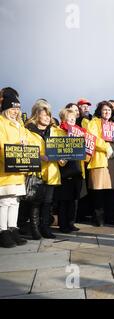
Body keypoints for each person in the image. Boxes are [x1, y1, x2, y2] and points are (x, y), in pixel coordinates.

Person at [24, 104, 64, 238]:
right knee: (35, 201)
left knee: (48, 201)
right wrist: (40, 156)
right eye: (45, 114)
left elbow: (63, 149)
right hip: (36, 171)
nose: (48, 118)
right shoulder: (27, 131)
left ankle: (45, 227)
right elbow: (25, 150)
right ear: (36, 114)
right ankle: (34, 229)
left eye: (49, 115)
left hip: (52, 171)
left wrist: (63, 158)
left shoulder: (55, 131)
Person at [0, 95, 34, 247]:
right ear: (6, 109)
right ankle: (3, 231)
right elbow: (2, 146)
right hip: (5, 171)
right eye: (12, 108)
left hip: (18, 170)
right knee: (5, 202)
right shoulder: (1, 123)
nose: (15, 111)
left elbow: (29, 141)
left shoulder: (20, 125)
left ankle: (13, 229)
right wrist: (15, 151)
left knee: (15, 201)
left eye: (17, 108)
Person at [86, 101, 114, 226]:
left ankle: (110, 217)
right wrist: (106, 147)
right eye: (104, 110)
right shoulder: (94, 122)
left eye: (109, 110)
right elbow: (92, 138)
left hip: (113, 160)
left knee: (111, 191)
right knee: (99, 190)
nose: (107, 112)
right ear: (99, 111)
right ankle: (98, 218)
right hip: (100, 158)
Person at [54, 108, 85, 233]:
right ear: (63, 119)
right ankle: (63, 224)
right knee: (64, 200)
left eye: (73, 118)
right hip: (64, 170)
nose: (72, 121)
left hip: (77, 169)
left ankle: (71, 223)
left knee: (74, 200)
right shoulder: (58, 131)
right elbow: (55, 150)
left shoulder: (80, 132)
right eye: (69, 119)